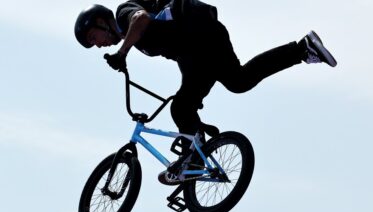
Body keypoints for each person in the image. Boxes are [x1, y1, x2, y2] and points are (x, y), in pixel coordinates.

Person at [74, 0, 337, 184]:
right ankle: (303, 48)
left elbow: (142, 19)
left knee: (181, 107)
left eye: (93, 38)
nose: (97, 45)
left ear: (100, 21)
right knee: (238, 81)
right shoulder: (136, 37)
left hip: (198, 36)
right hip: (202, 42)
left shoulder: (124, 14)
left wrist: (121, 53)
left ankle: (193, 158)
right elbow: (176, 47)